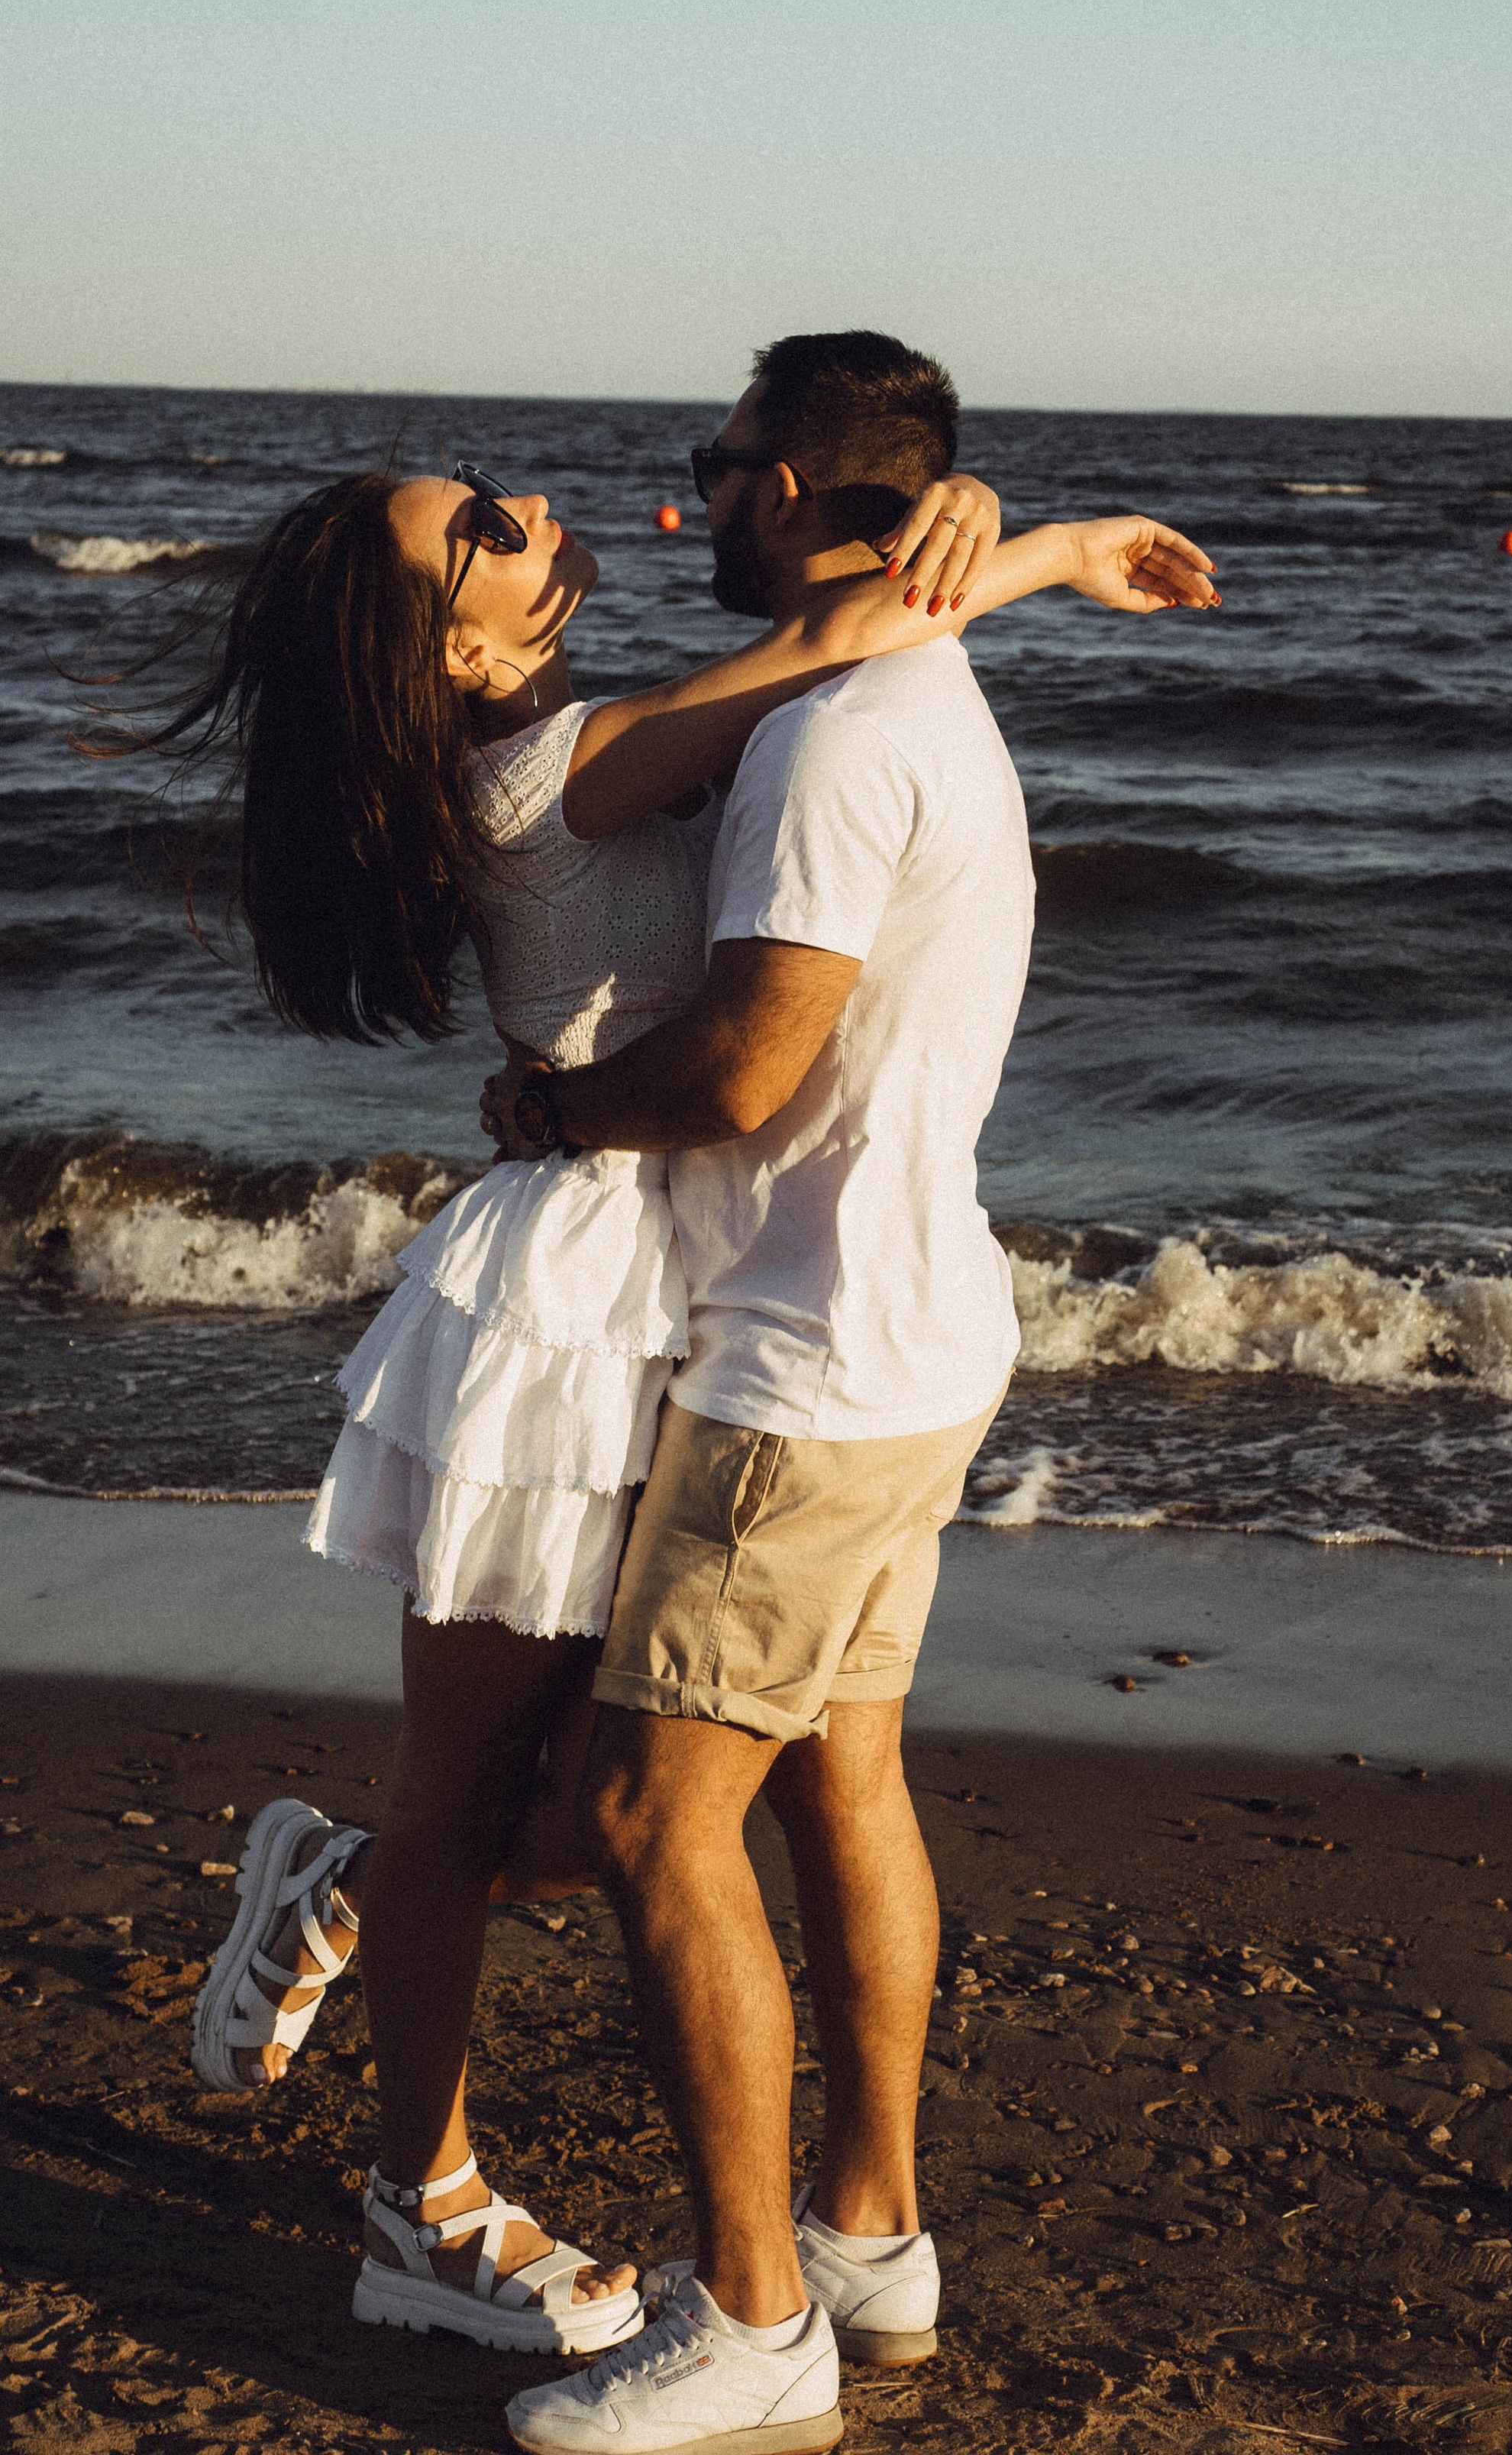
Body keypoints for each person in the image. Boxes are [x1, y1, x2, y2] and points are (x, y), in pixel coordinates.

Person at [156, 349, 1216, 2369]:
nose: (542, 519)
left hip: (700, 1283)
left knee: (615, 1777)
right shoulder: (550, 768)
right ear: (447, 654)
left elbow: (839, 652)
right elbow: (834, 642)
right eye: (485, 535)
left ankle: (340, 1891)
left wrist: (1002, 543)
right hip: (567, 1299)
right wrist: (1038, 545)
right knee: (494, 1779)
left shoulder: (610, 734)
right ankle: (422, 2194)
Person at [476, 333, 1216, 2453]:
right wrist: (1047, 553)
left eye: (713, 467)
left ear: (791, 483)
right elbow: (829, 653)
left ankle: (757, 2322)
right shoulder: (908, 693)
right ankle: (877, 2233)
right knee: (837, 1778)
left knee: (648, 1813)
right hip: (921, 1332)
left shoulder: (832, 743)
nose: (688, 497)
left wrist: (553, 1110)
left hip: (807, 1365)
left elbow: (741, 1066)